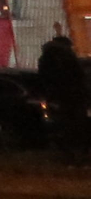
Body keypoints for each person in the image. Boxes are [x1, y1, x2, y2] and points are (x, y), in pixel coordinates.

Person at [38, 24, 88, 165]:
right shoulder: (68, 58)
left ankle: (69, 155)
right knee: (77, 125)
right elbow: (79, 76)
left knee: (65, 126)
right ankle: (79, 155)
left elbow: (44, 78)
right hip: (74, 96)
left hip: (59, 97)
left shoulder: (47, 58)